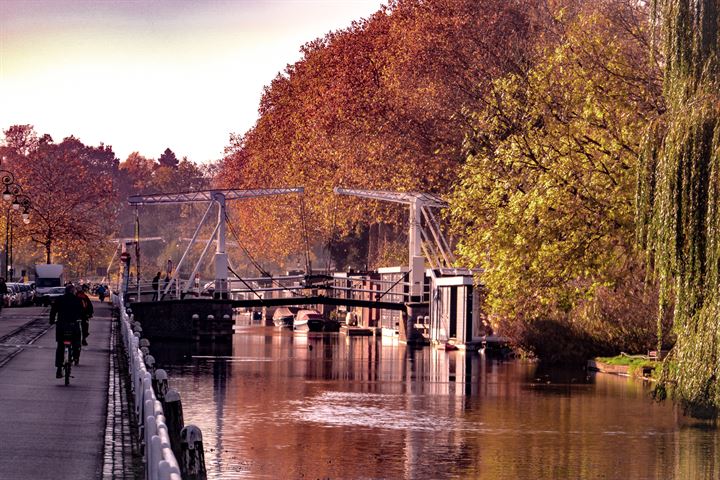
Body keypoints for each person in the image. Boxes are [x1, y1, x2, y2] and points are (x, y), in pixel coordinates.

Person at [49, 284, 83, 378]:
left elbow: (53, 310)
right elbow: (82, 312)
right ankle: (76, 356)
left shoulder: (59, 299)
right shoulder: (77, 300)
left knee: (60, 346)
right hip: (73, 325)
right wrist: (82, 319)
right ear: (73, 291)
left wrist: (52, 321)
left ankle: (59, 369)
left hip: (61, 325)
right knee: (76, 342)